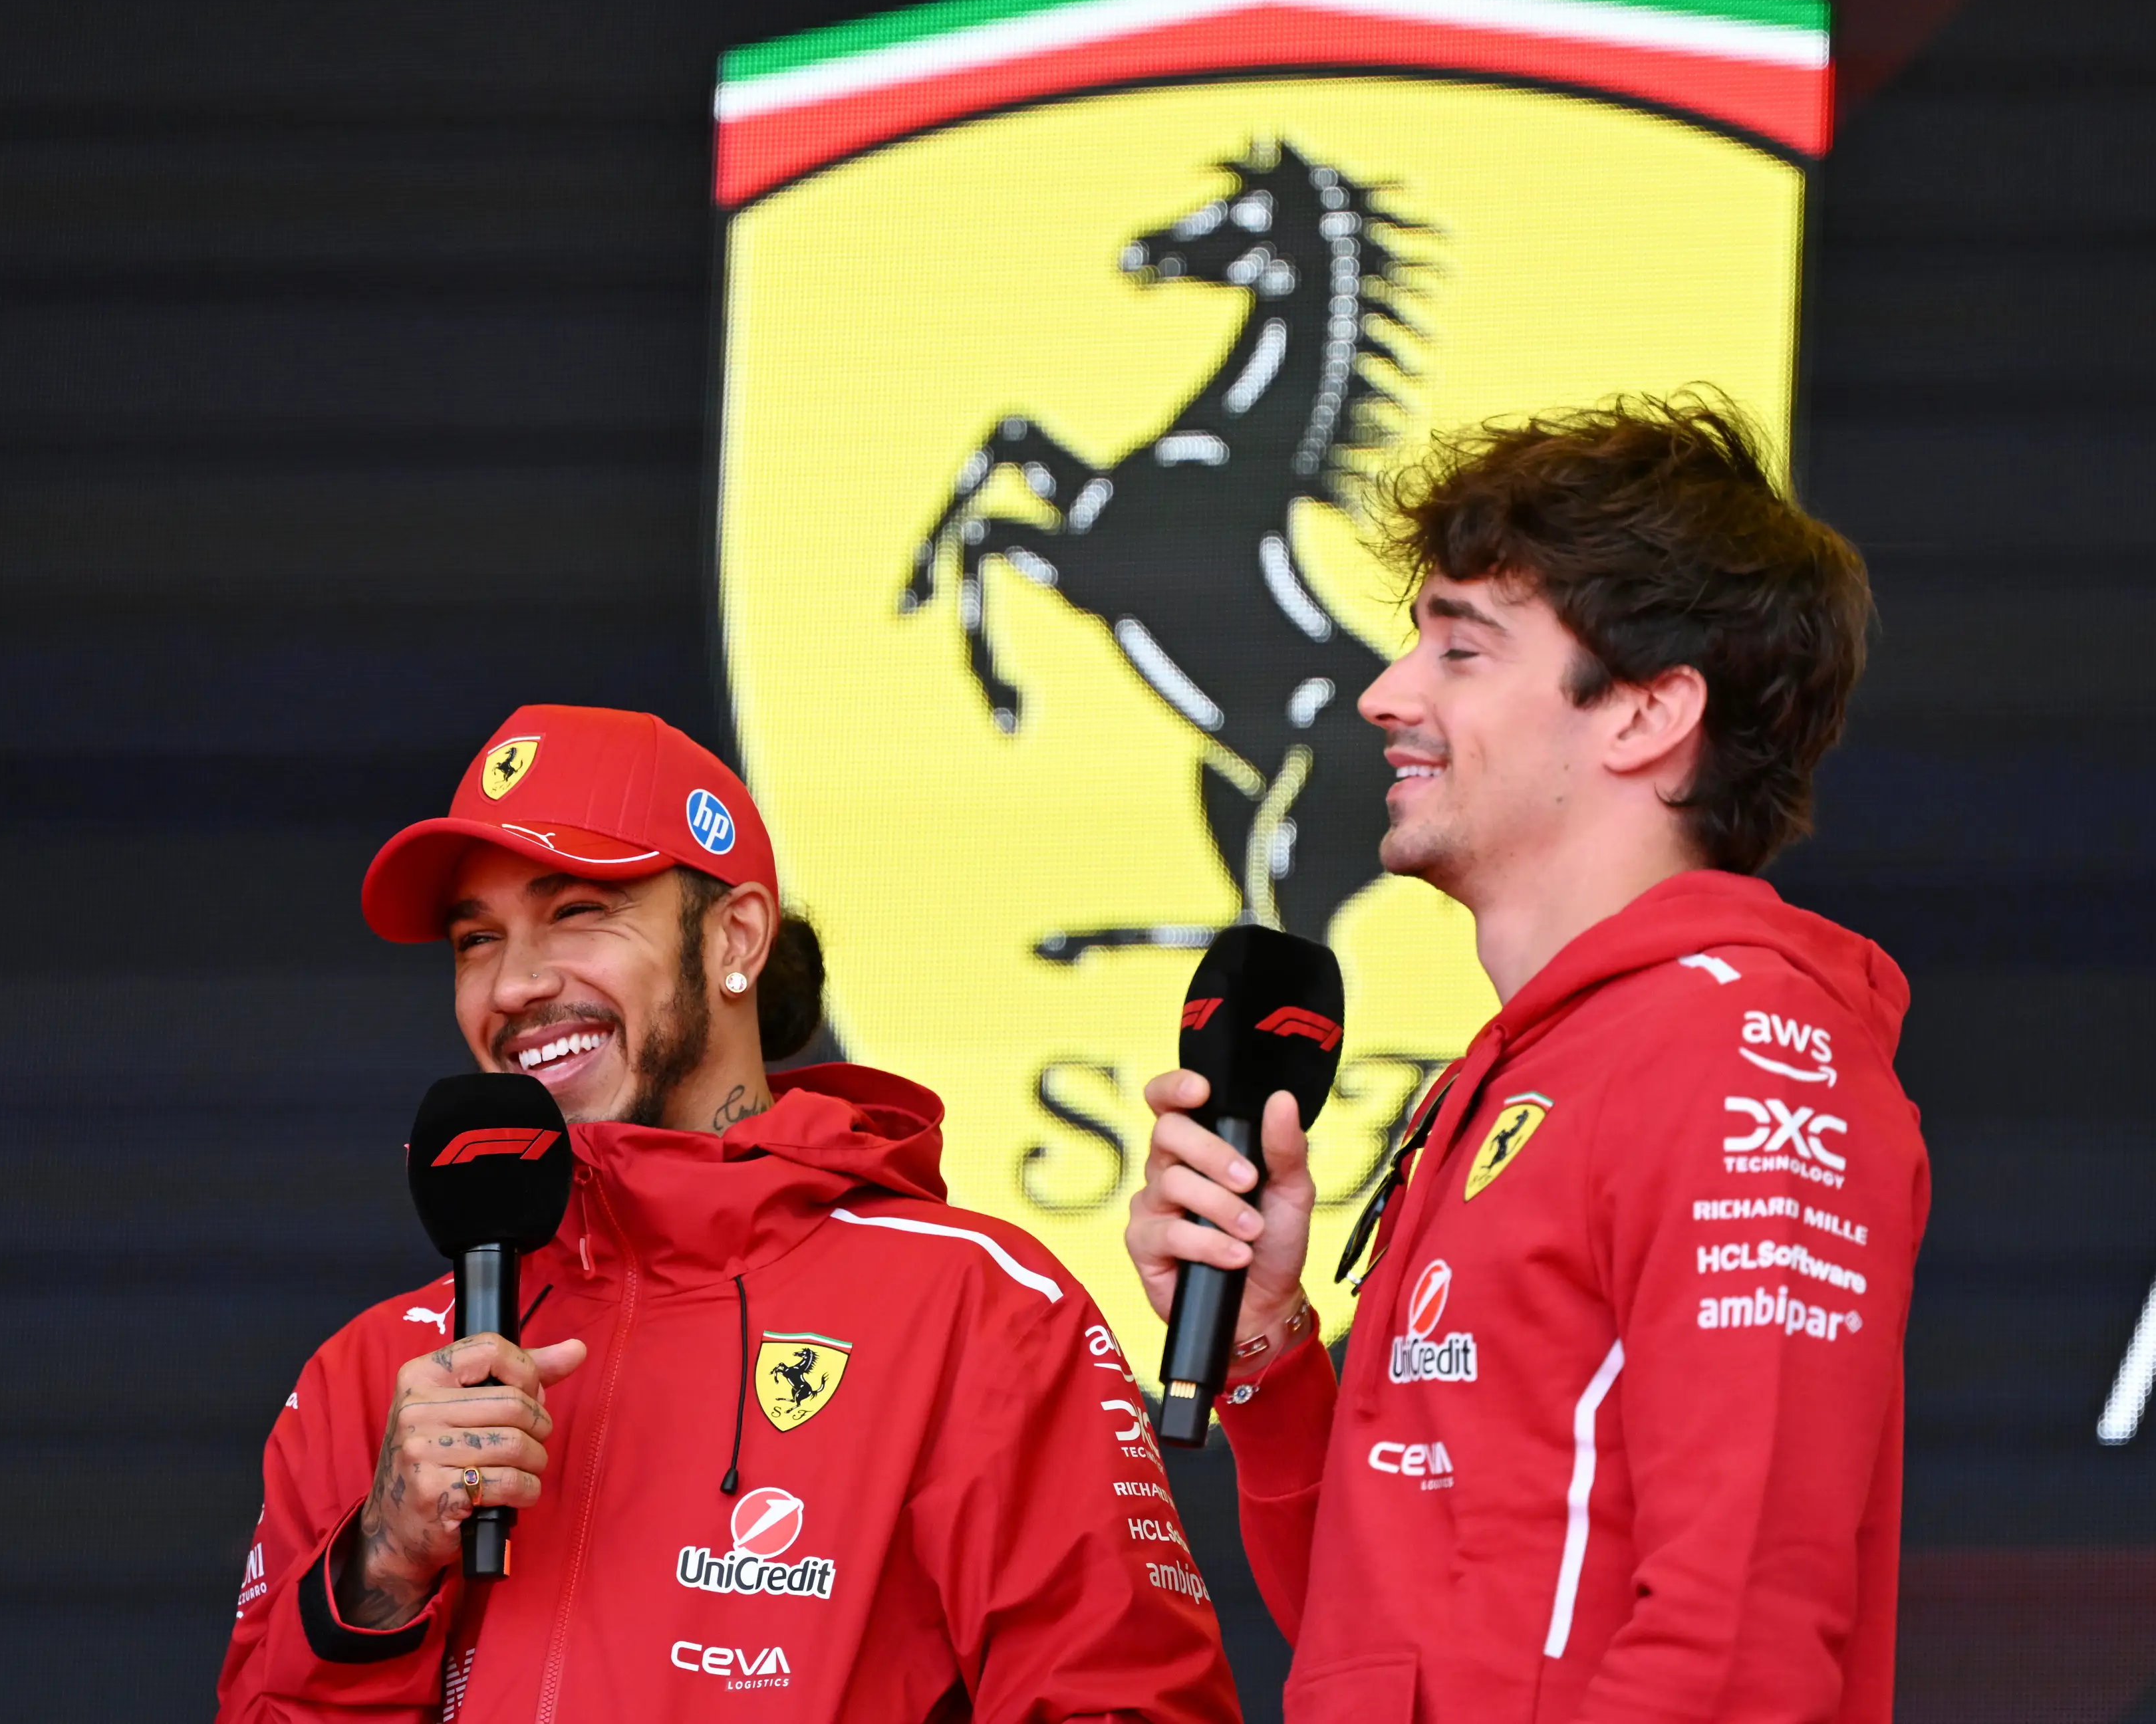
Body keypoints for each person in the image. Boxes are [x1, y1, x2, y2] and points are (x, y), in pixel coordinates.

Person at [1125, 398, 1929, 1722]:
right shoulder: (1519, 1074)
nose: (1386, 694)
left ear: (1647, 713)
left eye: (1460, 649)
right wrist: (1263, 1338)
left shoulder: (1742, 1056)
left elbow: (1739, 1649)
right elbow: (1374, 1640)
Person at [219, 705, 1239, 1723]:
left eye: (578, 910)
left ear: (735, 935)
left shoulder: (976, 1308)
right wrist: (379, 1570)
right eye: (476, 939)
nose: (515, 983)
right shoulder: (374, 1374)